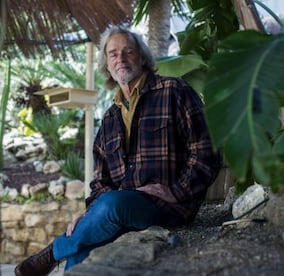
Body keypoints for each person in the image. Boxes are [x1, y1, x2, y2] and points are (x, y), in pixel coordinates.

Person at [15, 25, 222, 275]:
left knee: (113, 204)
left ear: (142, 57)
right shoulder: (110, 118)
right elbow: (101, 181)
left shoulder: (173, 91)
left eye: (128, 52)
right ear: (107, 64)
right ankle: (65, 253)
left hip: (167, 208)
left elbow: (207, 150)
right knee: (80, 252)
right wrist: (90, 215)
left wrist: (177, 190)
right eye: (113, 54)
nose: (120, 59)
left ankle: (51, 253)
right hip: (120, 211)